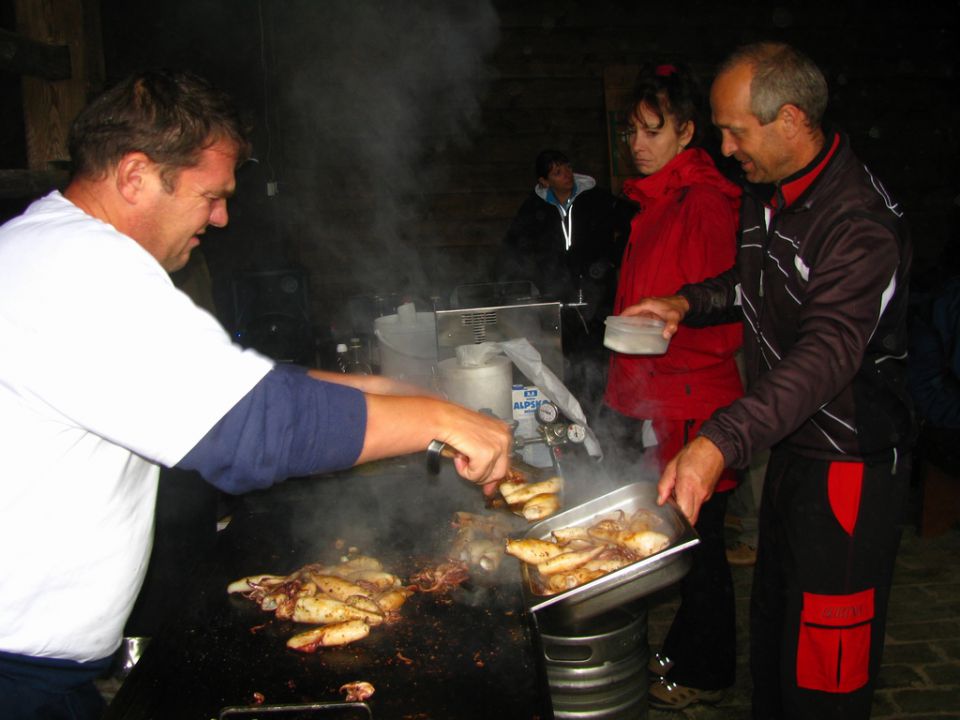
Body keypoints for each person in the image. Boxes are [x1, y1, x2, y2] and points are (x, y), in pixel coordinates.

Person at [0, 69, 512, 720]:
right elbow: (252, 428)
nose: (221, 217)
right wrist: (438, 417)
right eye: (210, 196)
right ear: (134, 176)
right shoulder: (81, 273)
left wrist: (380, 389)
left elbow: (238, 385)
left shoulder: (52, 251)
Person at [624, 43, 913, 719]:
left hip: (849, 463)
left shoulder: (858, 224)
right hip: (792, 446)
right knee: (778, 627)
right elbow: (750, 281)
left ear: (789, 119)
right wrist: (687, 302)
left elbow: (826, 355)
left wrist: (718, 439)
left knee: (826, 658)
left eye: (734, 131)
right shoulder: (771, 192)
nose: (724, 148)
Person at [599, 62, 743, 710]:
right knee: (680, 537)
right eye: (631, 131)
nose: (637, 143)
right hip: (661, 394)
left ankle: (705, 672)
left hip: (692, 399)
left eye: (652, 131)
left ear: (687, 132)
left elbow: (726, 311)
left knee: (698, 545)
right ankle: (687, 650)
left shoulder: (703, 201)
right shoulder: (657, 198)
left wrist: (662, 331)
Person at [497, 149, 634, 417]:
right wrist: (537, 277)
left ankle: (604, 416)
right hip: (559, 296)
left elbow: (634, 225)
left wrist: (611, 259)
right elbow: (514, 248)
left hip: (598, 293)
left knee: (600, 357)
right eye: (557, 172)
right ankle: (575, 415)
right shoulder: (534, 208)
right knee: (568, 359)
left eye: (567, 168)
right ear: (544, 181)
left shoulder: (596, 198)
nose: (567, 175)